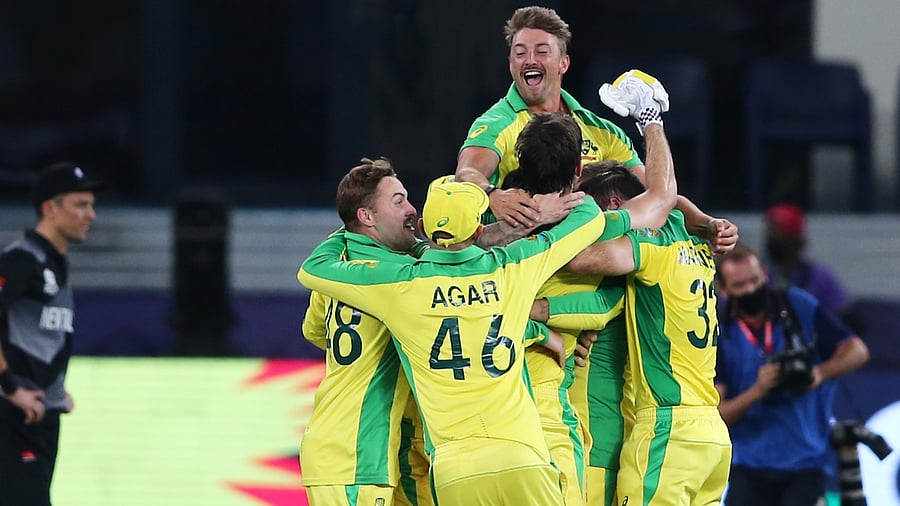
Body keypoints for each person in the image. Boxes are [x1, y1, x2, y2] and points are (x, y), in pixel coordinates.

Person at [298, 174, 618, 505]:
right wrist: (538, 211)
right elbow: (589, 219)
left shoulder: (401, 285)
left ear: (424, 226)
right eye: (399, 200)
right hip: (517, 454)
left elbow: (313, 288)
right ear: (479, 231)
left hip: (452, 467)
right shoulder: (508, 269)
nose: (408, 209)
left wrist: (345, 230)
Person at [454, 6, 738, 259]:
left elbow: (657, 193)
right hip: (530, 275)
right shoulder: (495, 123)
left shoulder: (600, 131)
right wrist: (492, 194)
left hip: (601, 280)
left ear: (563, 63)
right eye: (520, 53)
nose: (530, 60)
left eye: (541, 51)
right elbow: (466, 174)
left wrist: (706, 223)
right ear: (511, 63)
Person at [509, 93, 676, 504]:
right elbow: (662, 198)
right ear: (579, 170)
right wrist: (651, 120)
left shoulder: (489, 225)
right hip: (558, 419)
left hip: (488, 425)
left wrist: (514, 311)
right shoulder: (589, 221)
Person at [299, 157, 433, 506]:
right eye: (398, 201)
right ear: (366, 216)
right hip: (357, 453)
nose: (412, 210)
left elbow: (315, 333)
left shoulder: (335, 273)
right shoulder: (400, 275)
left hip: (332, 444)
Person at [714, 243, 869, 506]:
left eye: (755, 280)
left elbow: (857, 352)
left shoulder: (796, 305)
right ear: (723, 290)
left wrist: (819, 373)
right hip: (748, 464)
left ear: (765, 273)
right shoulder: (719, 330)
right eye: (739, 286)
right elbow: (717, 415)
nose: (751, 290)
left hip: (805, 462)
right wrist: (758, 390)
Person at [0, 162, 105, 506]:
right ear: (50, 208)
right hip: (15, 415)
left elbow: (37, 335)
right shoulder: (22, 260)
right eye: (80, 204)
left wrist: (55, 390)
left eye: (90, 204)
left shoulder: (54, 263)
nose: (90, 214)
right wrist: (11, 387)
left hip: (40, 414)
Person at [764, 203, 852, 317]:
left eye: (777, 231)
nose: (770, 237)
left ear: (794, 239)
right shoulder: (760, 275)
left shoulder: (818, 277)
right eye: (769, 231)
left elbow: (844, 314)